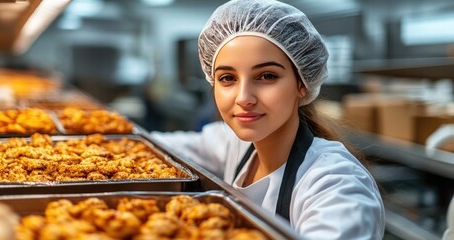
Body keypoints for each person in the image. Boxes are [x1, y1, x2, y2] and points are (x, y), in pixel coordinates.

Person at [151, 0, 385, 239]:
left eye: (266, 76)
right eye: (227, 78)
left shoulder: (336, 185)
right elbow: (154, 146)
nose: (244, 98)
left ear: (302, 84)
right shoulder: (237, 144)